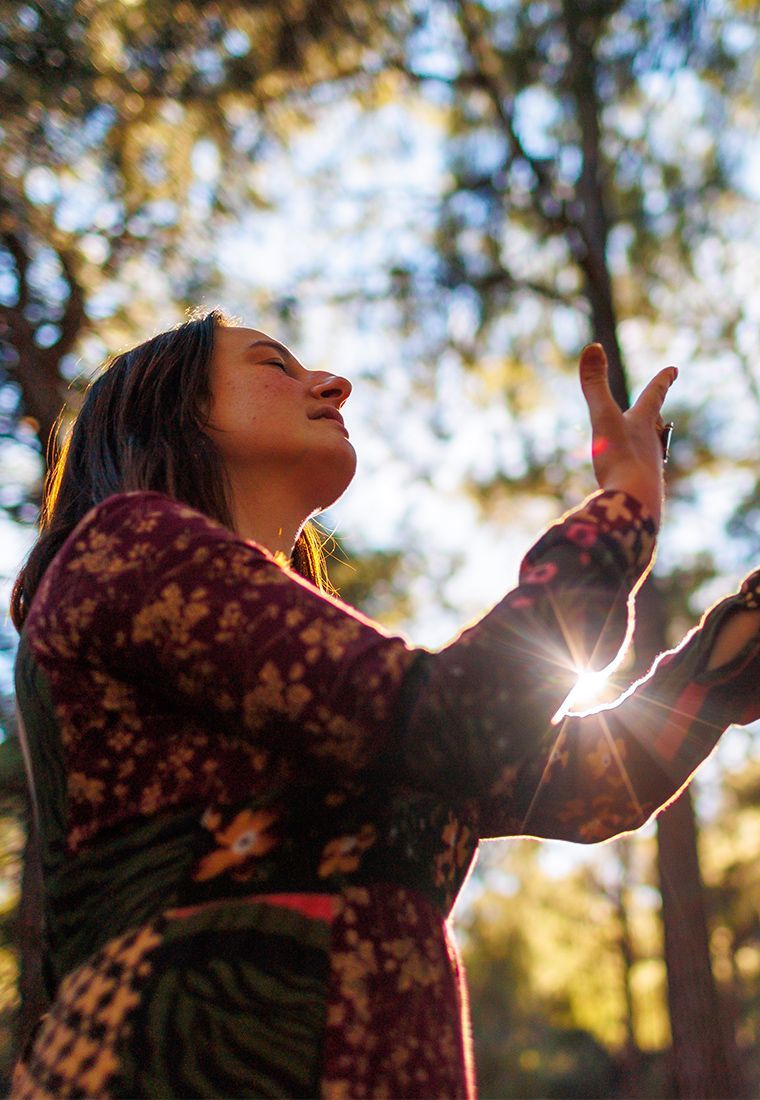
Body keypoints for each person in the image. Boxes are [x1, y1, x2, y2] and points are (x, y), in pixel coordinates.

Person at [9, 310, 760, 1099]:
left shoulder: (299, 677)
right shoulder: (122, 549)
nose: (335, 383)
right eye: (274, 364)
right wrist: (625, 510)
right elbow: (455, 718)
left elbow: (594, 784)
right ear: (170, 410)